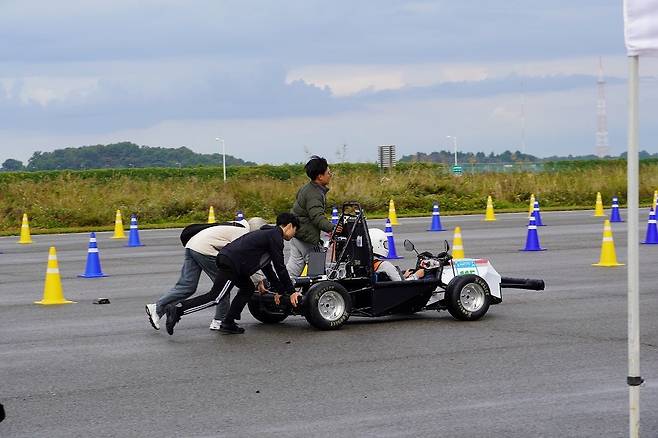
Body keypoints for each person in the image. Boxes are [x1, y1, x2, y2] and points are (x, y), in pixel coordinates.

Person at [164, 212, 300, 335]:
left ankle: (228, 322)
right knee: (215, 297)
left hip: (233, 261)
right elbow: (280, 268)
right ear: (289, 226)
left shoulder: (268, 234)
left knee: (248, 288)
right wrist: (292, 291)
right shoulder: (275, 237)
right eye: (295, 230)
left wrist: (280, 291)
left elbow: (267, 267)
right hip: (232, 263)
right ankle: (177, 311)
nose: (294, 234)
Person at [145, 217, 268, 332]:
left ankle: (157, 308)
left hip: (192, 246)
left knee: (187, 286)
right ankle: (220, 321)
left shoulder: (234, 224)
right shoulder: (244, 233)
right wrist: (259, 280)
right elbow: (244, 259)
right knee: (222, 287)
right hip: (206, 250)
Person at [287, 155, 337, 282]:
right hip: (306, 236)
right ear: (320, 176)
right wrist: (333, 228)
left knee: (294, 268)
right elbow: (317, 217)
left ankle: (280, 289)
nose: (330, 175)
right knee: (317, 264)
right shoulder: (314, 194)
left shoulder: (307, 188)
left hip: (297, 233)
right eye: (328, 172)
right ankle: (316, 295)